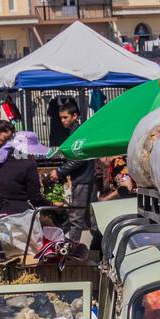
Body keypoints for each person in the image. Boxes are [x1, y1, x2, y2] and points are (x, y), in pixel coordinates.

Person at [49, 98, 96, 259]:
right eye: (61, 118)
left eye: (65, 117)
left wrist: (60, 171)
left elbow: (79, 158)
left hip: (82, 179)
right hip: (85, 177)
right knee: (90, 218)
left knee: (76, 217)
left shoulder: (78, 132)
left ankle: (70, 255)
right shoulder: (77, 131)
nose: (62, 121)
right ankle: (97, 249)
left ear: (75, 116)